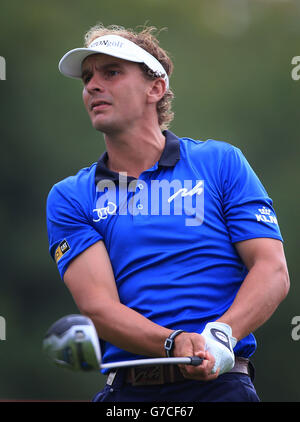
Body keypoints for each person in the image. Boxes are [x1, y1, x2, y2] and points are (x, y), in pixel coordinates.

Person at [46, 23, 290, 402]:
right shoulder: (71, 196)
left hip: (222, 389)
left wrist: (222, 333)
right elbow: (98, 306)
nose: (93, 85)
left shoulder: (221, 162)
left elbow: (272, 269)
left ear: (155, 88)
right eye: (87, 77)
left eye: (111, 72)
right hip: (127, 395)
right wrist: (171, 342)